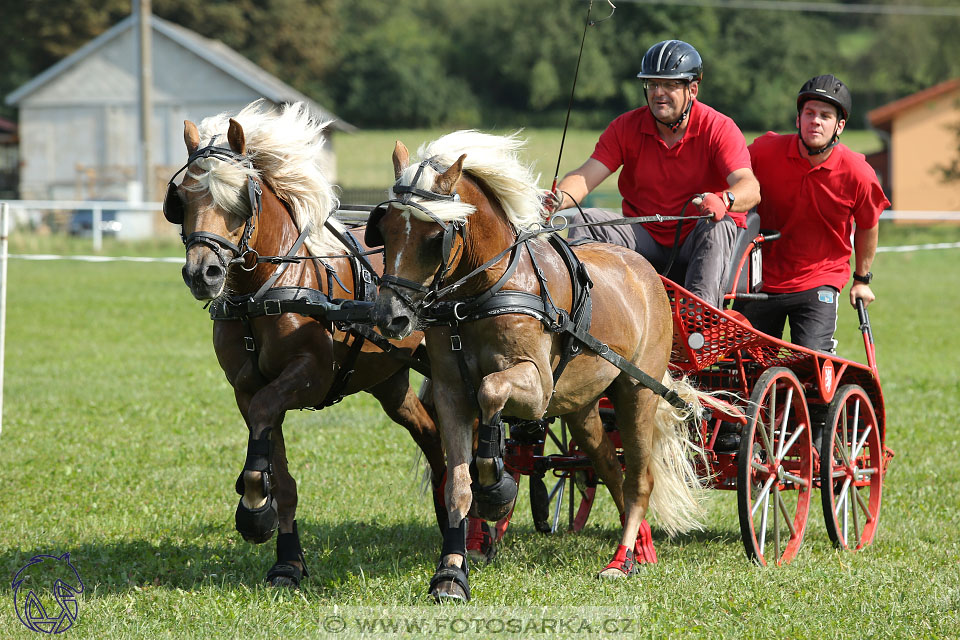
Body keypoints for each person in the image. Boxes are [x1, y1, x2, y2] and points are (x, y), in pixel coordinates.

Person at [547, 39, 761, 308]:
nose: (659, 92)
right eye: (652, 84)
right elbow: (585, 176)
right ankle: (588, 311)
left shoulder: (718, 128)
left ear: (692, 89)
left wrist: (724, 200)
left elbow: (750, 187)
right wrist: (556, 200)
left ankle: (700, 320)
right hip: (644, 235)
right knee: (583, 219)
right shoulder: (626, 126)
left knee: (717, 224)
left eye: (670, 84)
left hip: (696, 237)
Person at [734, 74, 889, 353]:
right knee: (744, 367)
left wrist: (861, 280)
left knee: (811, 366)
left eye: (825, 116)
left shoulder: (858, 173)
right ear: (798, 119)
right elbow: (733, 177)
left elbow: (868, 223)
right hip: (760, 279)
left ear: (839, 126)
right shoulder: (764, 152)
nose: (815, 121)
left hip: (820, 280)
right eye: (809, 113)